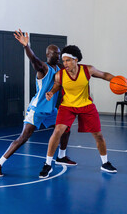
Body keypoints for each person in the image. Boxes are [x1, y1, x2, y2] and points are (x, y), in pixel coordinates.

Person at [0, 29, 76, 177]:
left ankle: (61, 156)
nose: (58, 55)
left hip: (50, 110)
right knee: (23, 138)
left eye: (59, 53)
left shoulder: (60, 68)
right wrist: (26, 46)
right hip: (37, 109)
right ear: (48, 55)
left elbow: (74, 69)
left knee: (66, 128)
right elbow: (33, 59)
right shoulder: (43, 68)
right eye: (55, 53)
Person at [39, 45, 117, 178]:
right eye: (63, 61)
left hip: (86, 105)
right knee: (58, 131)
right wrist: (51, 92)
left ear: (76, 60)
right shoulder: (60, 75)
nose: (65, 64)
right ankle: (47, 164)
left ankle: (105, 163)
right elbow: (57, 85)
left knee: (98, 135)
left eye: (68, 60)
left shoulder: (88, 70)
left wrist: (117, 80)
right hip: (67, 106)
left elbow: (104, 75)